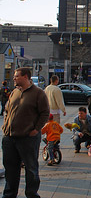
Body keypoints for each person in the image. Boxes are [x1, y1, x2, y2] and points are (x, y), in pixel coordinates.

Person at [2, 67, 50, 198]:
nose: (14, 78)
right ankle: (9, 194)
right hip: (9, 137)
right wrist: (6, 125)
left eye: (16, 76)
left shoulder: (38, 93)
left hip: (28, 138)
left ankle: (31, 194)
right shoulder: (14, 92)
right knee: (10, 169)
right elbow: (7, 109)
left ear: (25, 77)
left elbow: (45, 113)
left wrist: (36, 129)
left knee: (31, 168)